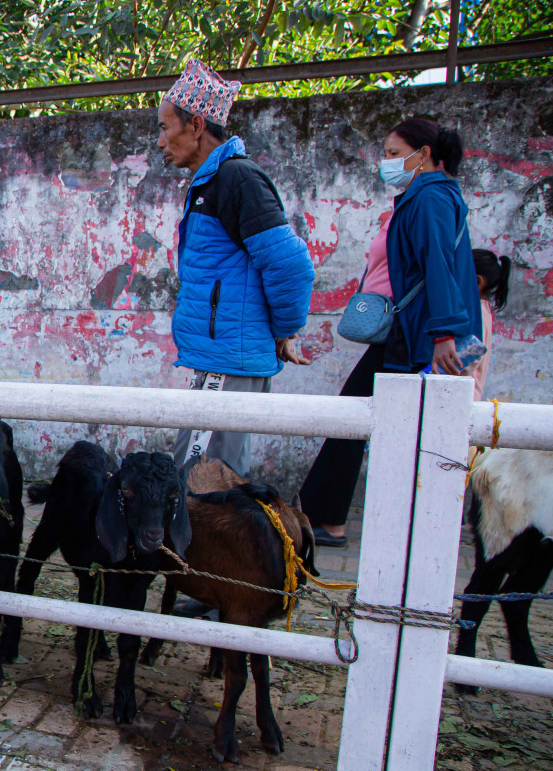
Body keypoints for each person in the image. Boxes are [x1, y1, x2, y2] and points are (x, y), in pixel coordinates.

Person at [300, 118, 482, 547]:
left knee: (357, 418)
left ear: (423, 155)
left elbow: (439, 265)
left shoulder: (431, 199)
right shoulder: (417, 197)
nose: (387, 162)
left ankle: (325, 518)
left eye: (395, 153)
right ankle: (328, 518)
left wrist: (442, 335)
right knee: (362, 419)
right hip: (407, 332)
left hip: (417, 335)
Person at [157, 59, 315, 478]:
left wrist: (284, 329)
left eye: (164, 127)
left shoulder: (236, 179)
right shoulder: (213, 182)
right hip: (222, 356)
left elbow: (291, 264)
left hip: (228, 360)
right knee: (214, 478)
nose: (160, 141)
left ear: (195, 126)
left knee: (200, 483)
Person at [470, 248, 510, 401]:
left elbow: (467, 361)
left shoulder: (476, 313)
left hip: (460, 398)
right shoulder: (482, 310)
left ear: (479, 282)